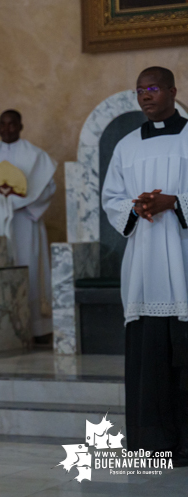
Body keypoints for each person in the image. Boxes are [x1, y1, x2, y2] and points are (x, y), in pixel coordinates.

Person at [102, 66, 188, 463]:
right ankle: (151, 443)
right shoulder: (126, 146)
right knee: (149, 358)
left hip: (183, 260)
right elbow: (111, 199)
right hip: (144, 266)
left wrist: (175, 202)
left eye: (152, 88)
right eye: (139, 90)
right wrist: (135, 207)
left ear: (172, 90)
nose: (145, 96)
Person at [0, 109, 57, 341]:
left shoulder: (36, 156)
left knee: (30, 266)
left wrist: (22, 202)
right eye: (3, 124)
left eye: (12, 124)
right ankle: (2, 329)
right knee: (0, 265)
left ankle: (36, 328)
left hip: (25, 223)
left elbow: (47, 188)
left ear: (20, 126)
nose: (7, 129)